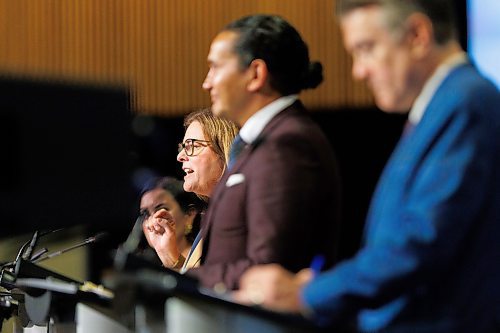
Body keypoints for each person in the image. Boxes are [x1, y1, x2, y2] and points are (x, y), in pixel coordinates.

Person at [235, 1, 500, 332]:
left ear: (418, 35)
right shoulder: (444, 105)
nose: (359, 71)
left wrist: (308, 293)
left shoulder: (466, 103)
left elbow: (419, 244)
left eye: (366, 48)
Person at [186, 14, 342, 290]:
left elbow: (269, 268)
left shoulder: (286, 144)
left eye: (216, 68)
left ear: (256, 74)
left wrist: (178, 281)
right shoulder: (263, 143)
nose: (206, 82)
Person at [143, 108, 238, 271]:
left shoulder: (238, 216)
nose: (180, 156)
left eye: (192, 145)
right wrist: (170, 258)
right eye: (183, 147)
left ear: (223, 150)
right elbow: (201, 290)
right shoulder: (214, 217)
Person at [140, 176, 206, 269]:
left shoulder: (207, 255)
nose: (153, 220)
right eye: (145, 215)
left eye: (162, 210)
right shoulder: (143, 269)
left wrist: (173, 261)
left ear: (189, 215)